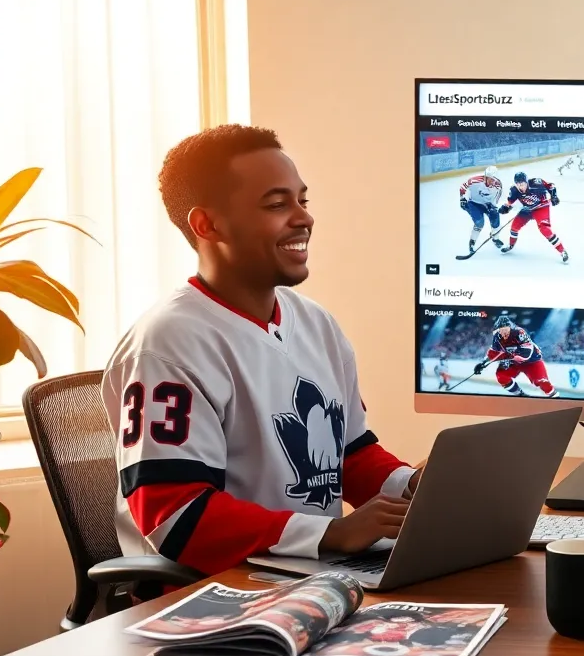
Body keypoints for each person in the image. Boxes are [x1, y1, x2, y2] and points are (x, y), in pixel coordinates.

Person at [103, 124, 422, 582]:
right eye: (276, 204)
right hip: (215, 596)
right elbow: (174, 515)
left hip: (313, 578)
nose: (303, 218)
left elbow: (348, 455)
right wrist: (331, 533)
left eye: (302, 201)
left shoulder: (317, 323)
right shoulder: (167, 343)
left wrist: (411, 487)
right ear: (206, 224)